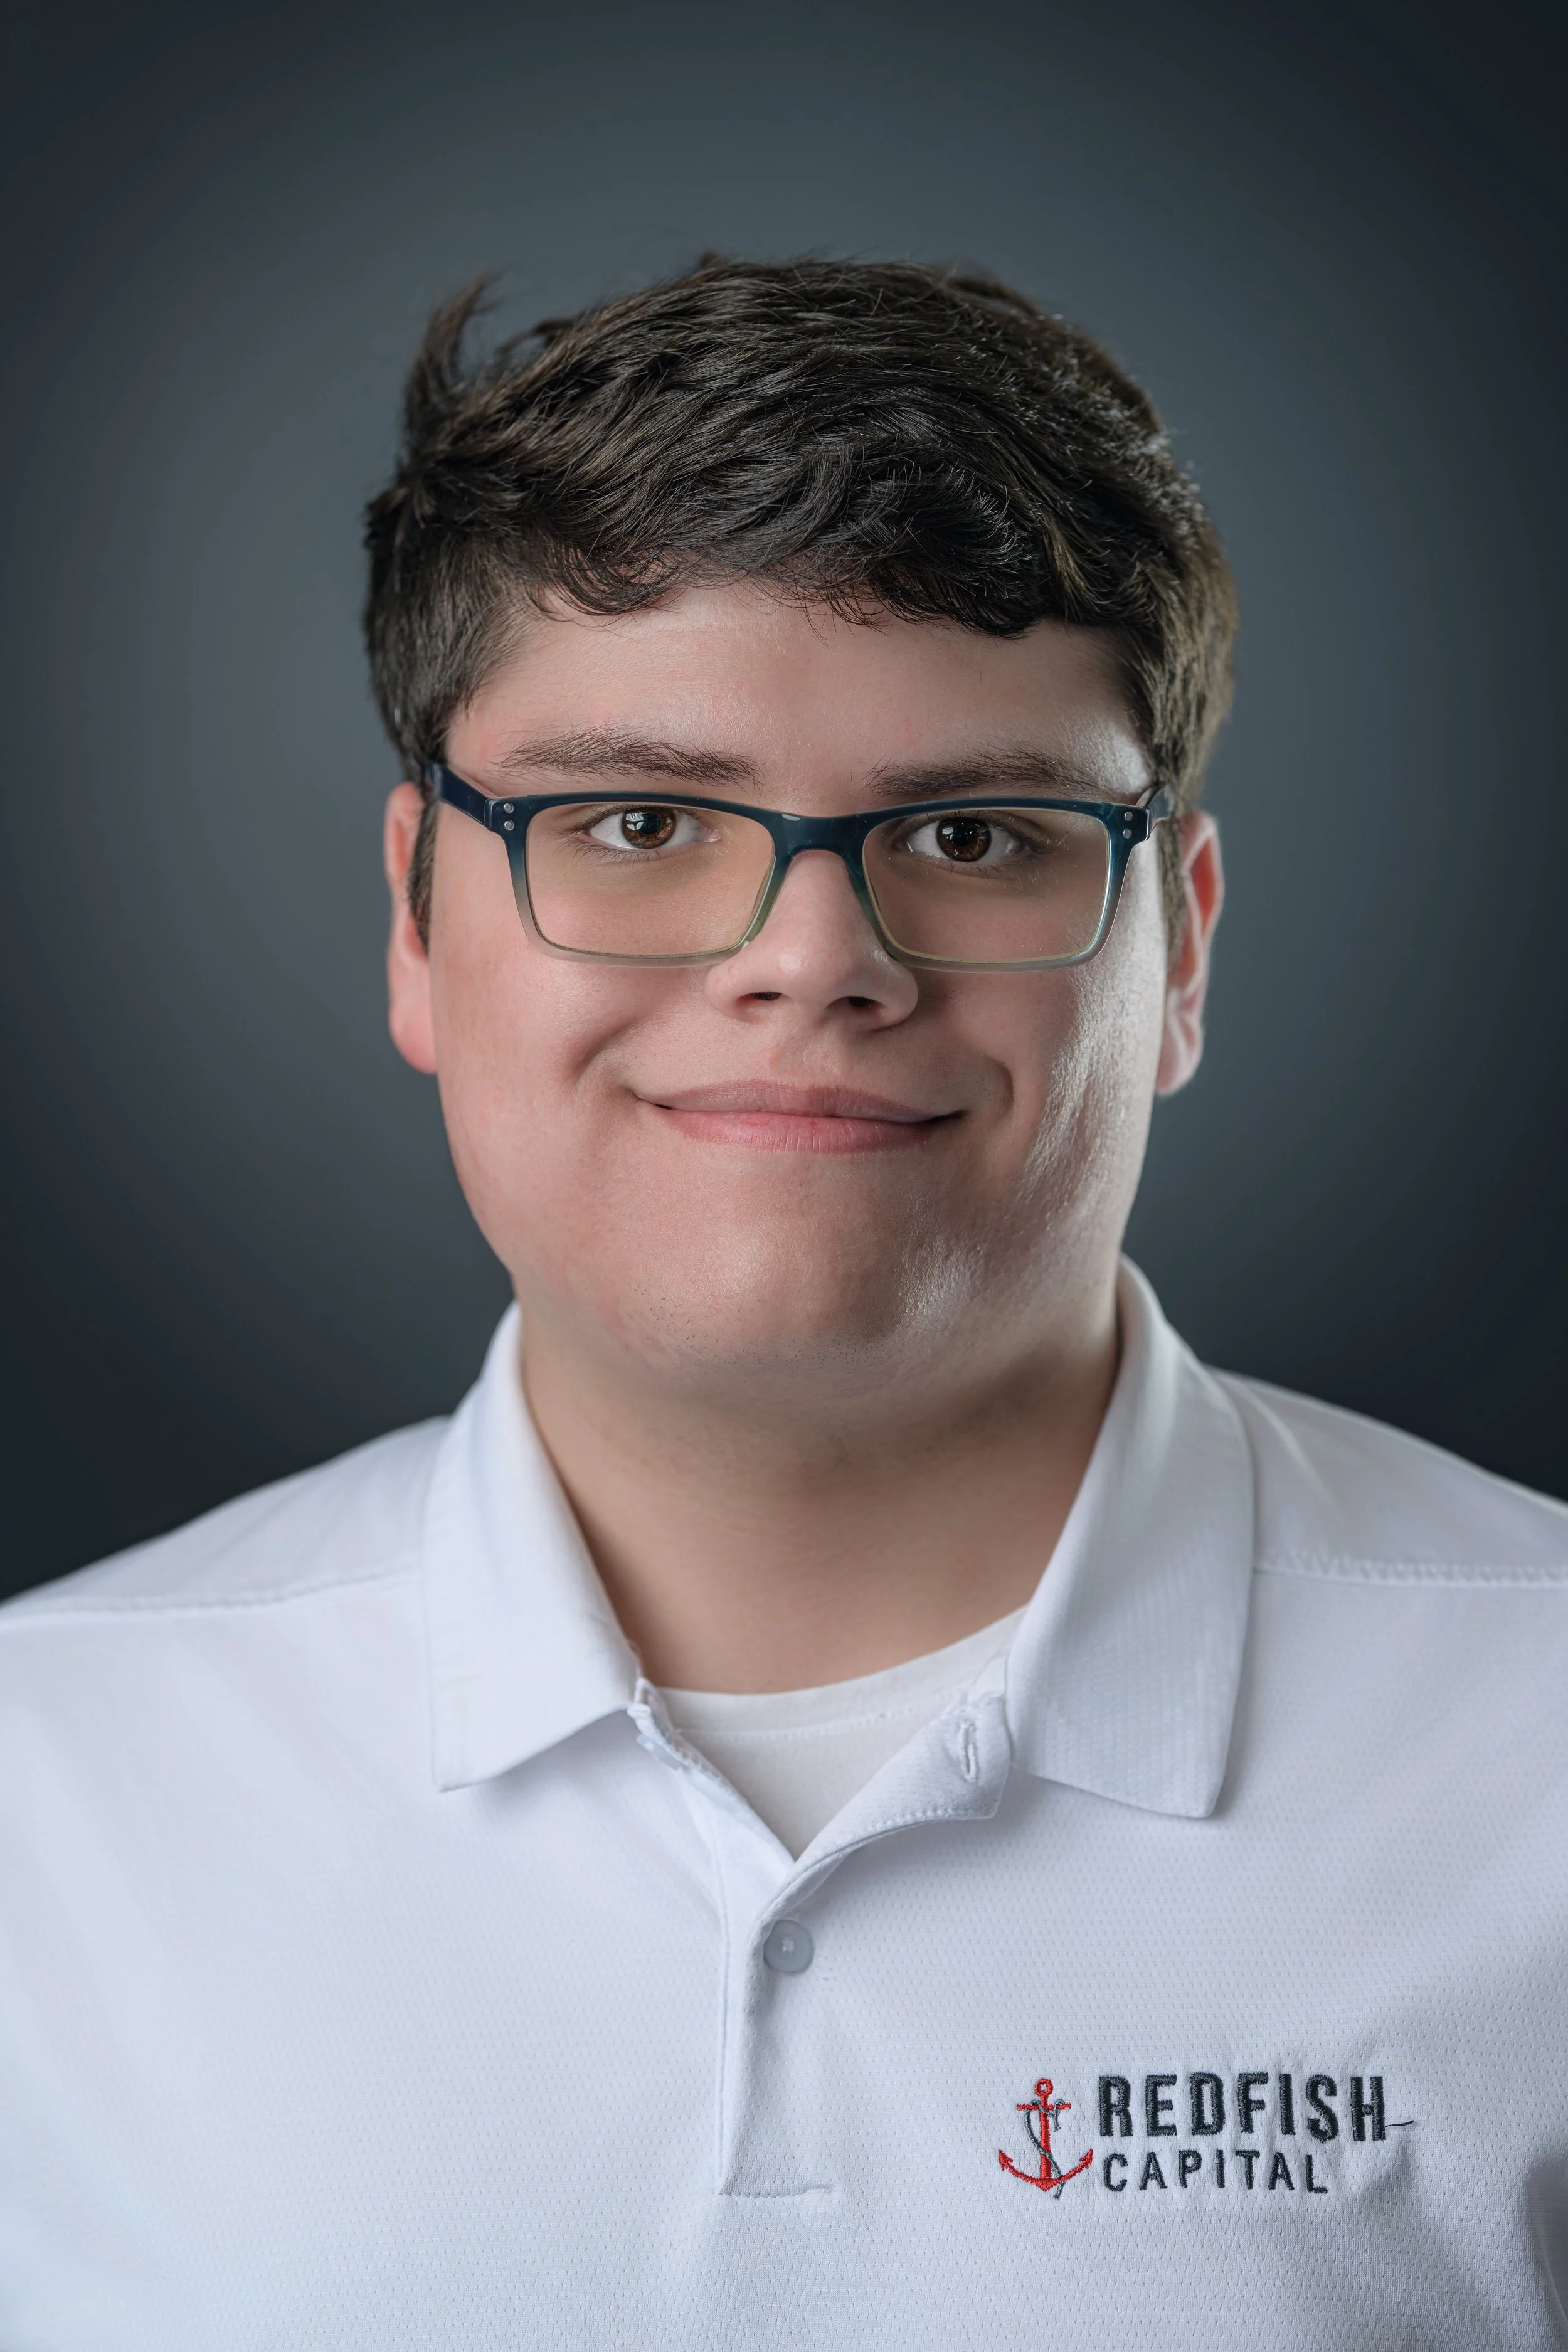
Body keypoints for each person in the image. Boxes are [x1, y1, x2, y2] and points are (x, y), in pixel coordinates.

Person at [1, 257, 1564, 2351]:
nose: (812, 957)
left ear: (1175, 951)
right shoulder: (49, 1787)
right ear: (412, 916)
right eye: (636, 819)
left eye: (979, 830)